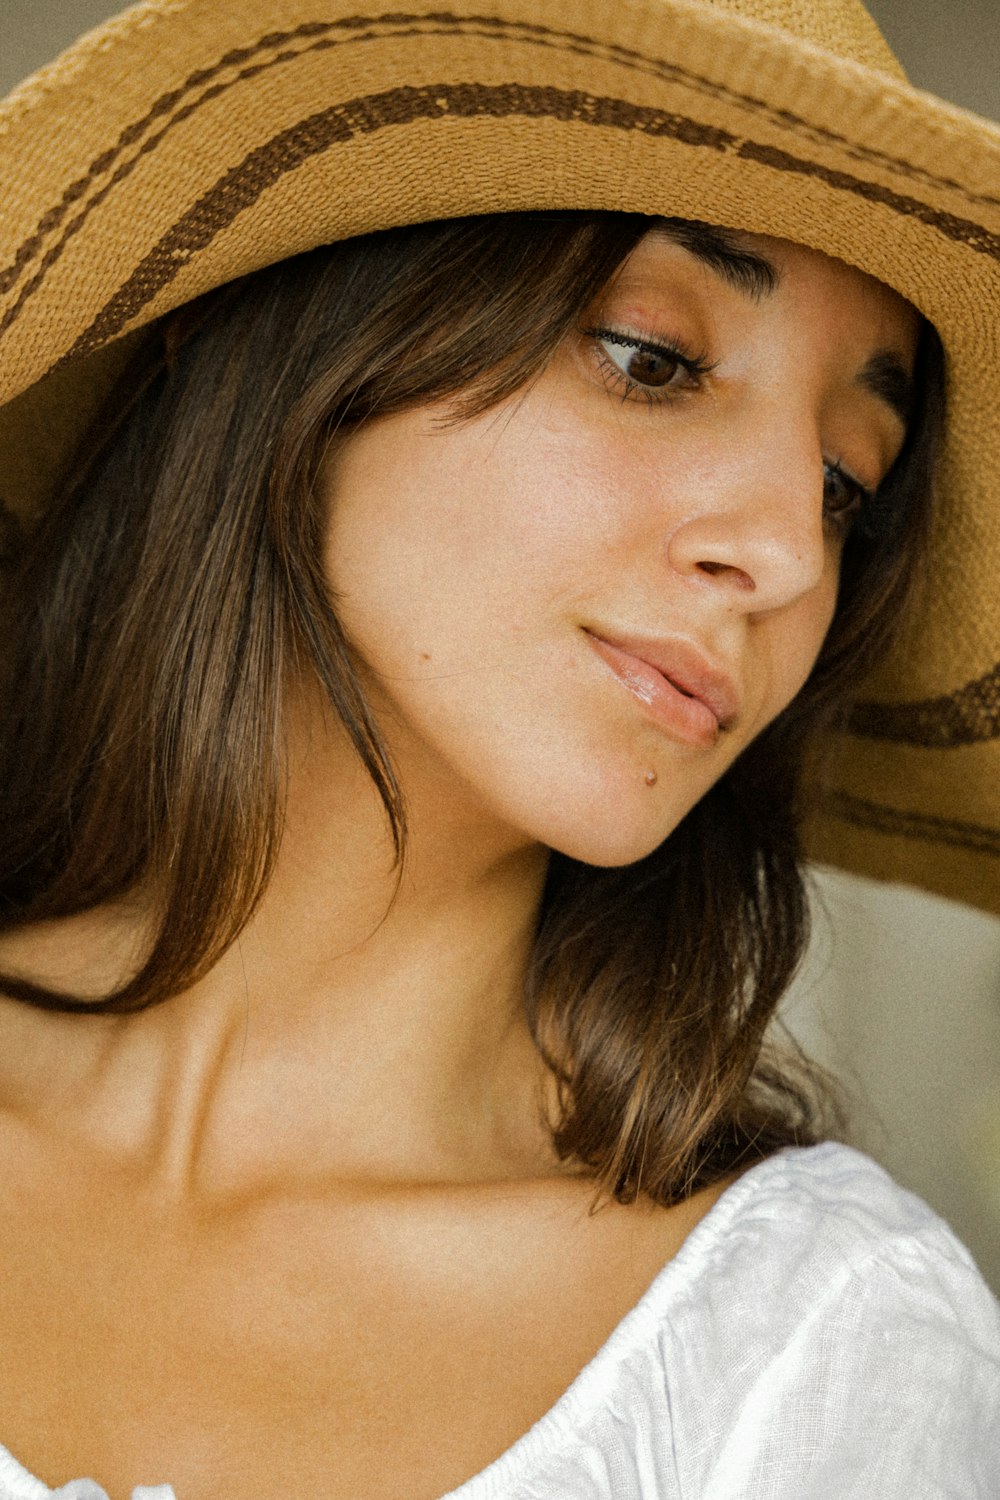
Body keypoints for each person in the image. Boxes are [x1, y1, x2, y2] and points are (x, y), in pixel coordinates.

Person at [0, 0, 997, 1496]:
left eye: (850, 484)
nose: (791, 550)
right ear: (274, 311)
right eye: (653, 359)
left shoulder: (822, 1349)